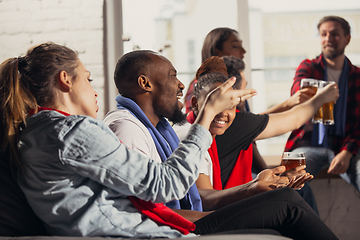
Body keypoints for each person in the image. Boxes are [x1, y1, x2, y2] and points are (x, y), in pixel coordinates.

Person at [0, 42, 259, 238]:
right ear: (65, 80)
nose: (94, 89)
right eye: (88, 79)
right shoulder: (73, 132)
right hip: (129, 233)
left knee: (281, 205)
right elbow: (166, 186)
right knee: (284, 206)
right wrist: (207, 114)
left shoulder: (35, 131)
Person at [104, 49, 339, 239]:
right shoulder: (127, 128)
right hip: (166, 228)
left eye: (232, 105)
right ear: (145, 83)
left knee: (285, 201)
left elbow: (200, 195)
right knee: (286, 203)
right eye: (172, 75)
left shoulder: (160, 130)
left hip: (179, 219)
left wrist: (255, 187)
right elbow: (143, 212)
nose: (181, 85)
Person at [181, 56, 337, 212]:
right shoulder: (226, 126)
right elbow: (294, 120)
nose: (223, 111)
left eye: (230, 105)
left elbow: (256, 121)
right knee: (293, 203)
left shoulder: (214, 123)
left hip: (224, 202)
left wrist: (258, 183)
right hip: (221, 212)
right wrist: (322, 98)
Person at [285, 15, 360, 192]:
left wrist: (347, 152)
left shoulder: (357, 76)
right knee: (288, 182)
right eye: (324, 34)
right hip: (307, 143)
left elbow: (358, 124)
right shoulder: (309, 67)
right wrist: (321, 96)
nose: (328, 39)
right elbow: (298, 94)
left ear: (347, 39)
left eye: (334, 34)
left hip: (345, 145)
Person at [184, 27, 245, 113]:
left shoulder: (237, 77)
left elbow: (245, 119)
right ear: (217, 51)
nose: (243, 51)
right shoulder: (204, 86)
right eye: (235, 46)